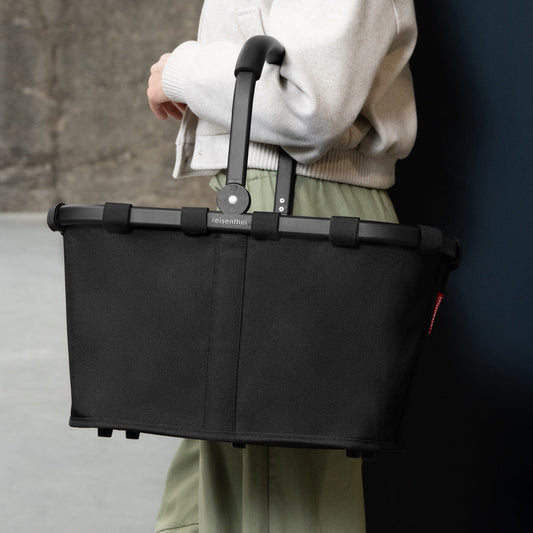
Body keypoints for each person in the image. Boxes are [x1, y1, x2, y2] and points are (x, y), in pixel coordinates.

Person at [147, 1, 417, 532]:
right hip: (277, 201)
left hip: (299, 204)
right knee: (216, 494)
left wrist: (181, 71)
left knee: (279, 496)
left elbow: (313, 105)